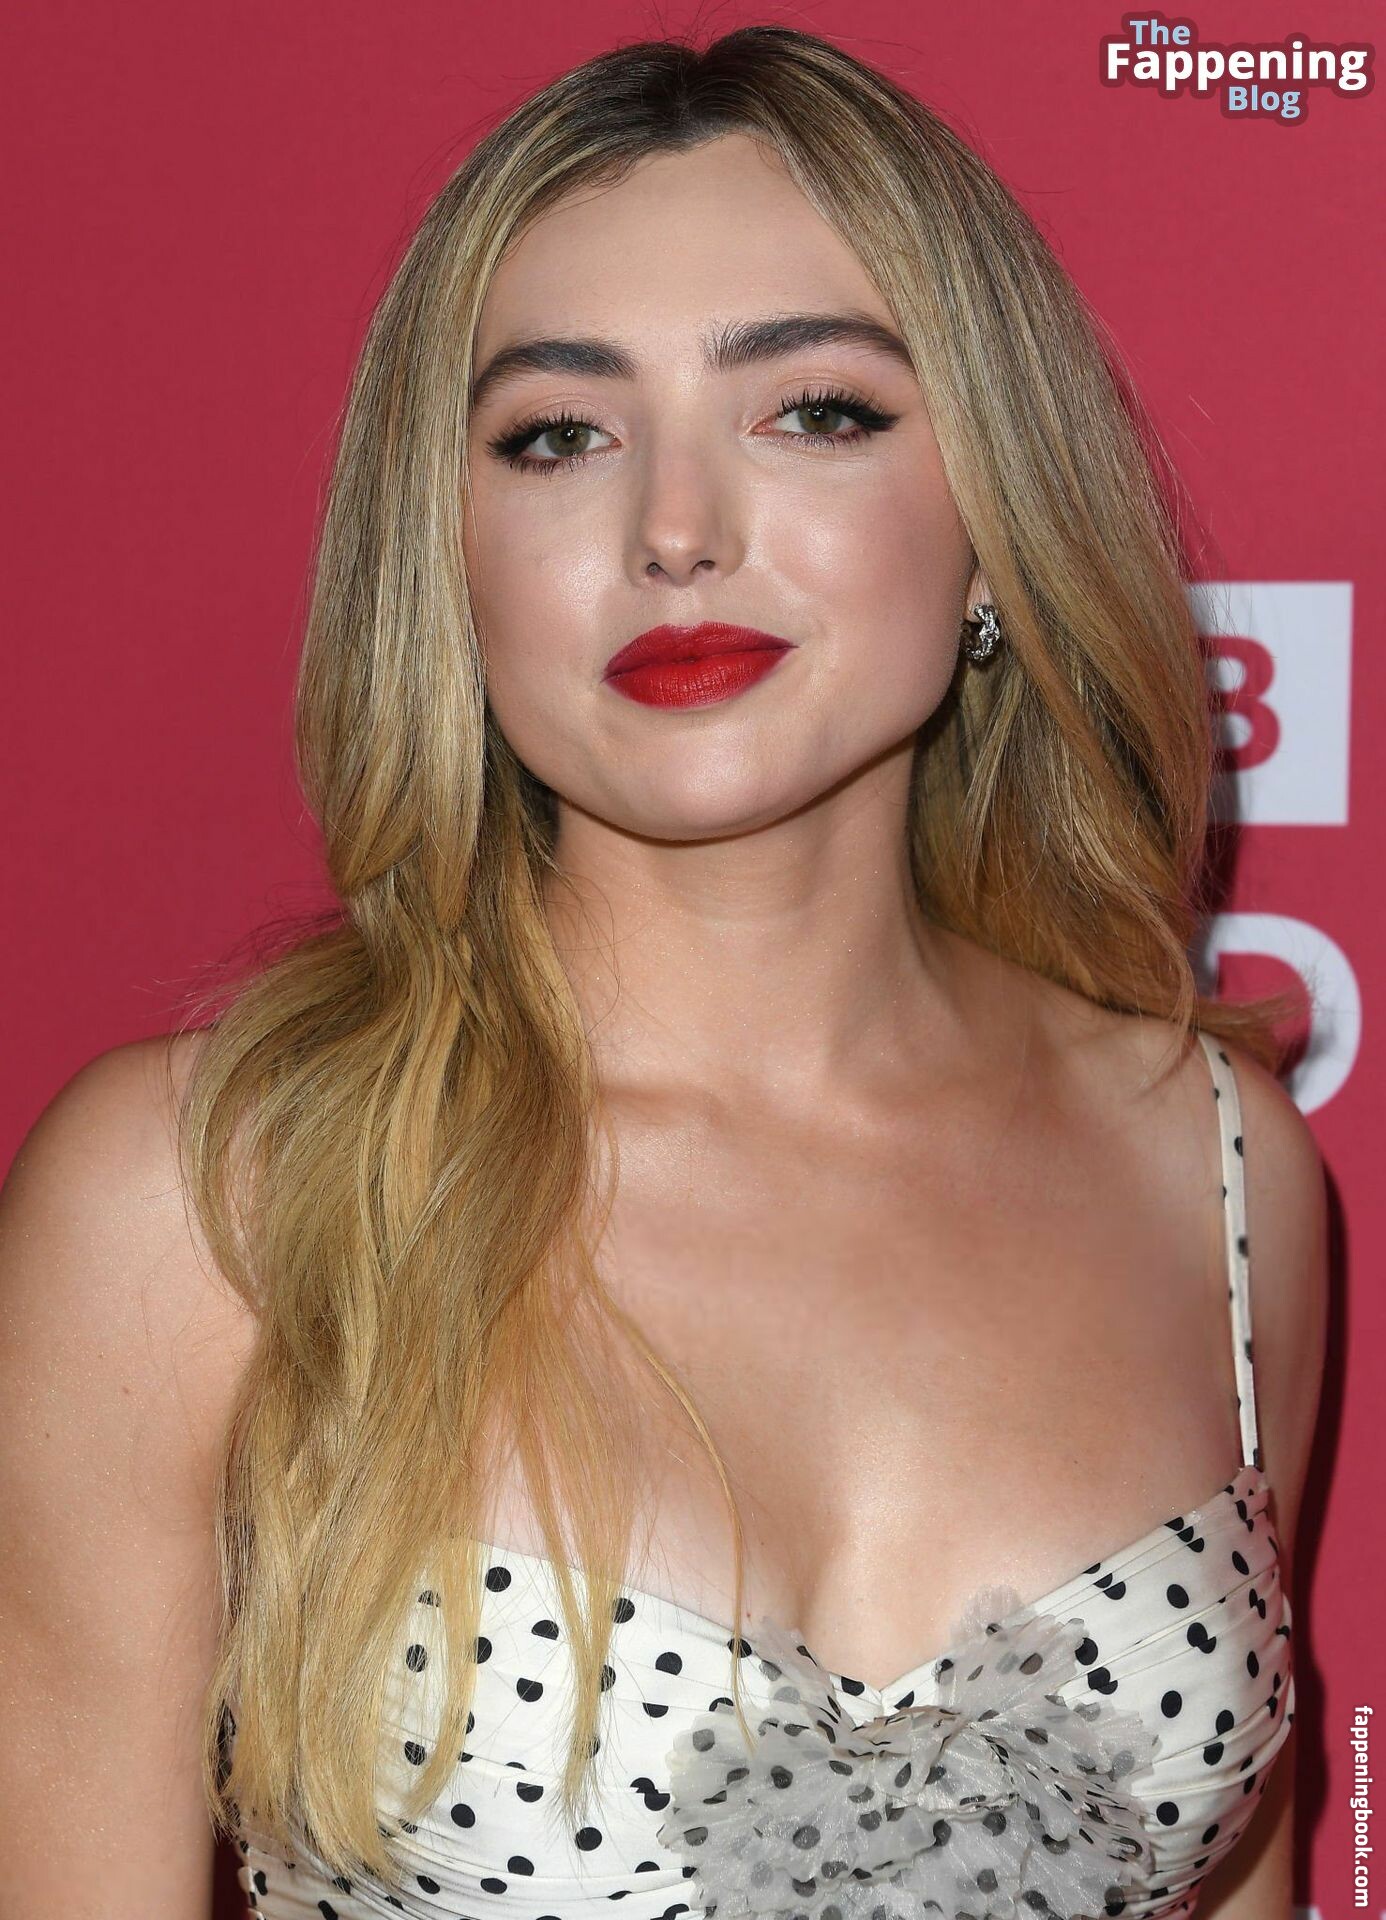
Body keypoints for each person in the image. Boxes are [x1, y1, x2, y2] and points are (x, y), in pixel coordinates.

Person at [0, 25, 1328, 1920]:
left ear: (990, 521)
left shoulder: (1210, 1166)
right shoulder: (207, 1200)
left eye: (817, 411)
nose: (675, 532)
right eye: (559, 435)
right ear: (448, 554)